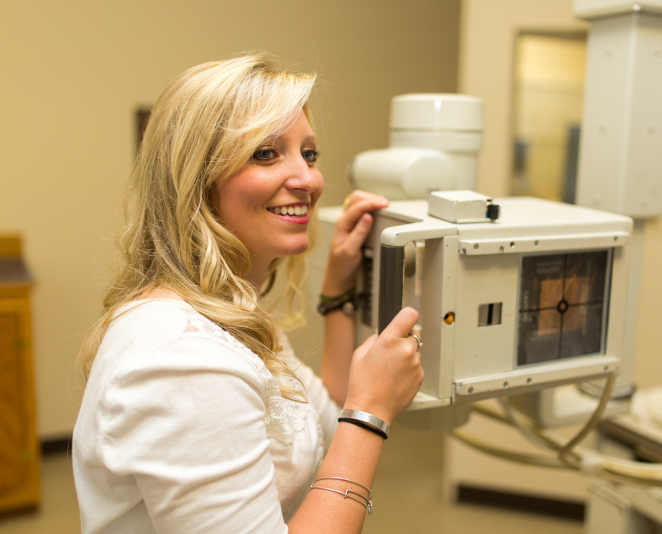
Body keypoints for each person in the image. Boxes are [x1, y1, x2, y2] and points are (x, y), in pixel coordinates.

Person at [72, 54, 424, 533]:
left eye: (309, 154)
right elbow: (352, 417)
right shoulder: (182, 357)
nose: (309, 180)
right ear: (196, 180)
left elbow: (326, 416)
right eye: (265, 153)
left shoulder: (230, 313)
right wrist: (372, 414)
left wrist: (338, 292)